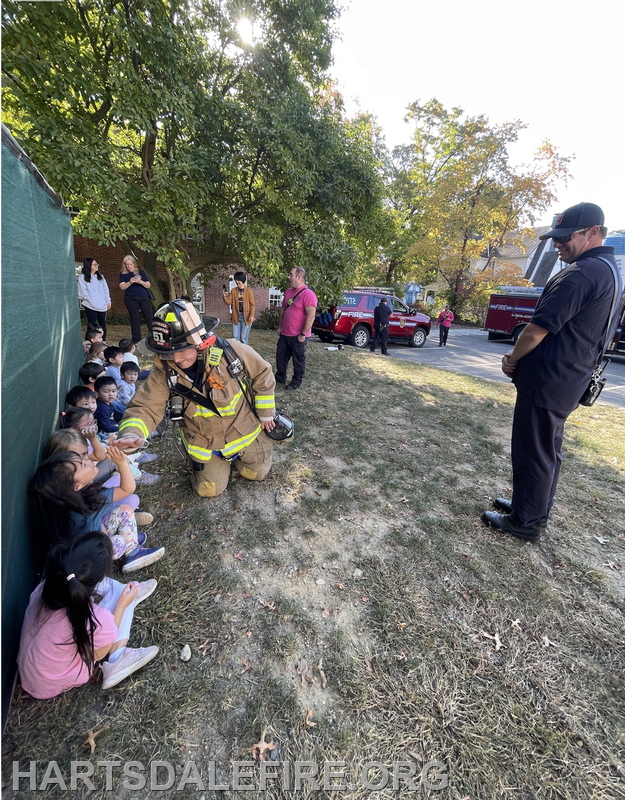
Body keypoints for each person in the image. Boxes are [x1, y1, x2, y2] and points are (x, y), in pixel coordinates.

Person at [482, 203, 622, 542]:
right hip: (569, 377)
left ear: (593, 232)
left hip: (548, 380)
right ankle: (530, 506)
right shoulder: (609, 270)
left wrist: (512, 359)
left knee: (533, 449)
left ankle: (525, 522)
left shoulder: (581, 274)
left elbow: (535, 331)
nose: (558, 244)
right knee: (548, 448)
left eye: (565, 238)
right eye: (555, 238)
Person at [119, 300, 277, 497]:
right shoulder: (164, 373)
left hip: (245, 432)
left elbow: (263, 373)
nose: (176, 359)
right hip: (205, 445)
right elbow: (144, 407)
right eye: (169, 353)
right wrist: (131, 434)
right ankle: (211, 468)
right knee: (208, 490)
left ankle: (246, 458)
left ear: (201, 343)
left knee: (256, 474)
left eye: (182, 351)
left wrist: (265, 414)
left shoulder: (232, 351)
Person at [17, 532, 159, 697]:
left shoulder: (44, 588)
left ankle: (124, 592)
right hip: (50, 684)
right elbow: (98, 654)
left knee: (116, 590)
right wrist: (121, 606)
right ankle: (118, 658)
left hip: (30, 675)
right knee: (120, 599)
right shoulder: (94, 620)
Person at [28, 447, 164, 572]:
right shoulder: (89, 501)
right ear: (76, 486)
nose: (88, 460)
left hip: (85, 550)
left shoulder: (67, 505)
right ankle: (132, 552)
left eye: (82, 458)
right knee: (120, 538)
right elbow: (127, 488)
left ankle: (129, 539)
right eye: (83, 464)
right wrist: (122, 463)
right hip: (95, 557)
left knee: (123, 510)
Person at [275, 267, 318, 390]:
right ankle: (280, 377)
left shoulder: (308, 294)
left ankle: (296, 381)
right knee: (281, 357)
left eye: (291, 274)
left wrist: (303, 334)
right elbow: (283, 309)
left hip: (298, 336)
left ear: (298, 277)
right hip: (285, 333)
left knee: (298, 360)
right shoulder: (288, 291)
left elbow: (311, 315)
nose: (289, 277)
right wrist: (280, 327)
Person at [119, 255, 154, 344]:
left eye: (131, 264)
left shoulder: (141, 272)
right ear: (125, 265)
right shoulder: (123, 275)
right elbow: (122, 287)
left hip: (144, 297)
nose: (129, 266)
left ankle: (153, 338)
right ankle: (136, 340)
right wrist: (130, 282)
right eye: (127, 264)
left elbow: (148, 285)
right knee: (135, 319)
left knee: (149, 318)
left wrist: (139, 281)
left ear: (134, 264)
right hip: (130, 298)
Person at [78, 259, 111, 340]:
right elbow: (83, 292)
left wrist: (108, 301)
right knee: (91, 324)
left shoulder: (101, 277)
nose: (96, 266)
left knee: (102, 324)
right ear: (89, 265)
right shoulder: (83, 277)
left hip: (102, 305)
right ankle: (89, 342)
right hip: (89, 305)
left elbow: (106, 290)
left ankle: (102, 341)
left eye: (97, 264)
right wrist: (92, 301)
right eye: (94, 264)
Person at [222, 272, 256, 344]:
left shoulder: (249, 291)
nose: (237, 282)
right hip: (236, 316)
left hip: (246, 317)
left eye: (238, 280)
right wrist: (225, 296)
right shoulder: (234, 291)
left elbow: (252, 305)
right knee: (234, 337)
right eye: (236, 280)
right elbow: (228, 302)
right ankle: (235, 353)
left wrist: (252, 315)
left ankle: (243, 354)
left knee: (243, 337)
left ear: (242, 280)